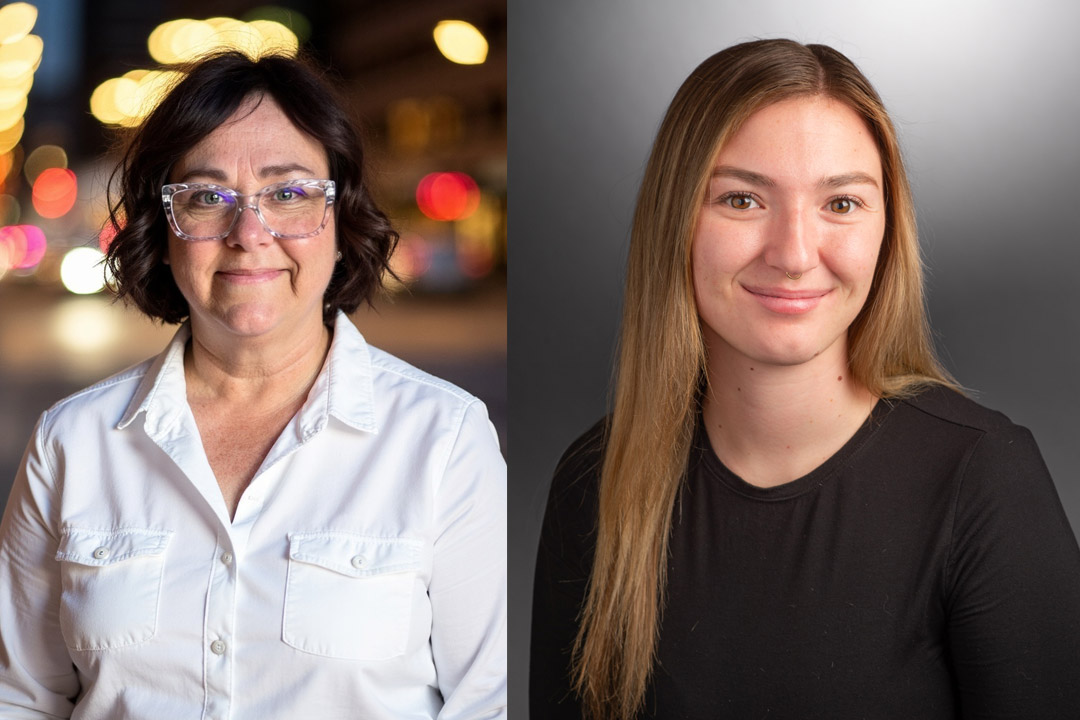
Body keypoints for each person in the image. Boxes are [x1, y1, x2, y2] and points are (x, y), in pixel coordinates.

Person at [530, 38, 1080, 720]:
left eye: (841, 204)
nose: (793, 254)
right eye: (742, 199)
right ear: (676, 221)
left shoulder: (984, 479)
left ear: (887, 231)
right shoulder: (592, 483)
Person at [0, 51, 506, 719]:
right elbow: (20, 701)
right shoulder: (71, 443)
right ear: (164, 226)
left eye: (289, 194)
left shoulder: (443, 439)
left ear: (341, 216)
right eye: (208, 197)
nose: (248, 233)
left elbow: (485, 705)